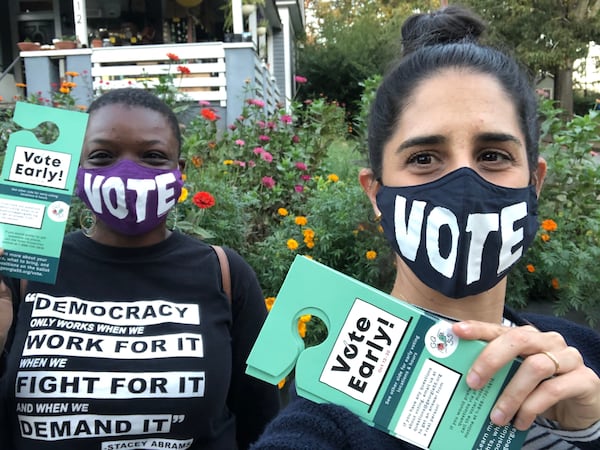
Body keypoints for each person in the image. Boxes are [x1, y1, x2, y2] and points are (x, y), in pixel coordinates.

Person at [249, 5, 600, 450]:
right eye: (424, 159)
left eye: (493, 155)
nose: (464, 184)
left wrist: (589, 434)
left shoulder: (587, 359)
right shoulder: (326, 424)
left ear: (535, 183)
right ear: (376, 194)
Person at [0, 88, 280, 449]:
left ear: (179, 172)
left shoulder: (225, 274)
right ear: (78, 169)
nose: (126, 174)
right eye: (103, 156)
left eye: (152, 156)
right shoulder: (23, 272)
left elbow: (264, 423)